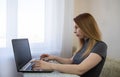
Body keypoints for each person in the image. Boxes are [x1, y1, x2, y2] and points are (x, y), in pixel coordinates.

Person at [32, 13, 107, 77]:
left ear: (86, 27)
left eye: (76, 27)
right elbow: (71, 61)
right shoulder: (84, 44)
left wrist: (50, 66)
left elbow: (80, 69)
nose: (74, 31)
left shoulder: (100, 46)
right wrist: (54, 57)